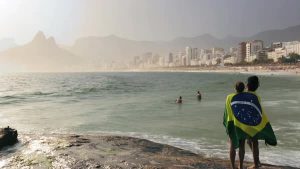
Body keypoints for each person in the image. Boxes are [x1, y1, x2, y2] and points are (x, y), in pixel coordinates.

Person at [223, 76, 277, 169]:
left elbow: (229, 110)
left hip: (239, 125)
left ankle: (238, 166)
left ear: (247, 85)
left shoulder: (231, 97)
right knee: (253, 142)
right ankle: (256, 164)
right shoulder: (255, 96)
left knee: (238, 144)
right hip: (253, 125)